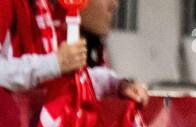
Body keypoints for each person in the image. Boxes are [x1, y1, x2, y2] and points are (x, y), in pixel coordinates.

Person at [0, 0, 146, 104]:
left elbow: (66, 81)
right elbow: (51, 68)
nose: (115, 4)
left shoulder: (50, 10)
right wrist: (53, 64)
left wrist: (114, 86)